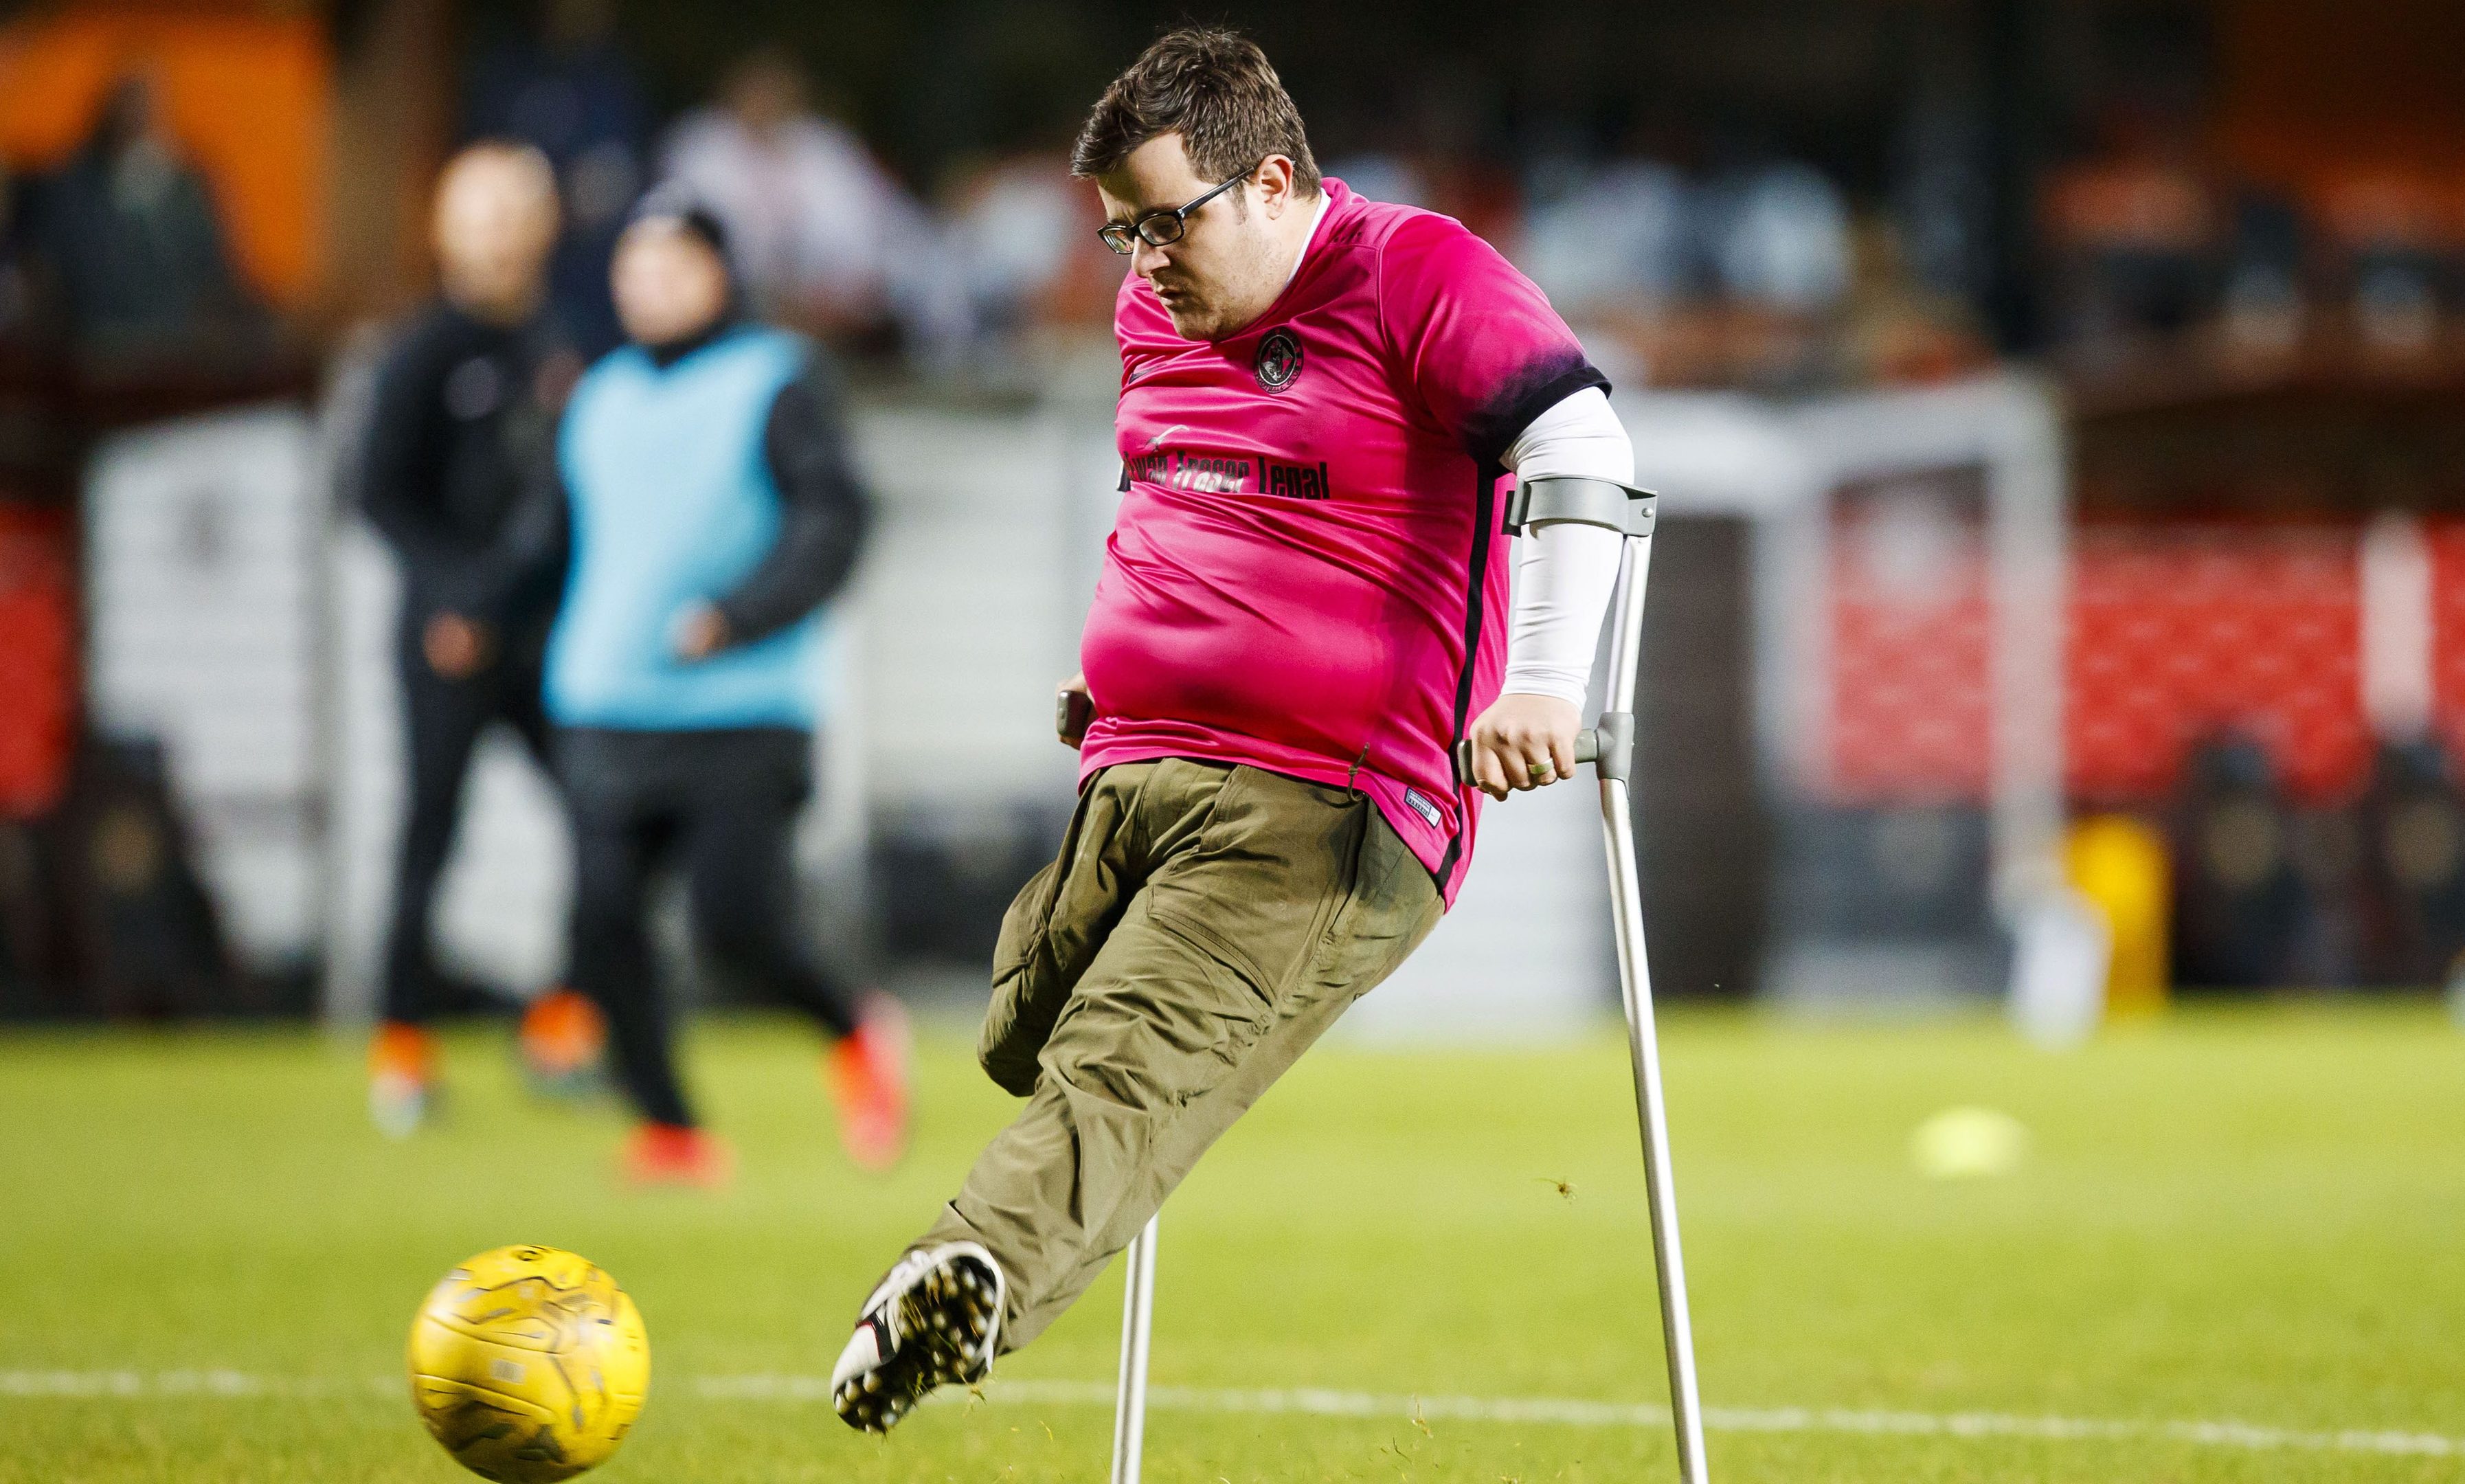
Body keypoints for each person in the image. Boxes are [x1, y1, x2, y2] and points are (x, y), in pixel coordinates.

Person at [828, 27, 1634, 1430]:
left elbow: (1581, 448)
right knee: (1027, 1032)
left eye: (1164, 221)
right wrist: (1132, 677)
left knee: (1126, 1061)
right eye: (1119, 232)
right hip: (1135, 770)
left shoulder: (1417, 272)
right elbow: (1177, 494)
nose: (1142, 259)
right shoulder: (1167, 311)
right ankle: (1021, 1205)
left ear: (1271, 182)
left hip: (1327, 805)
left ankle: (962, 1280)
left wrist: (1549, 683)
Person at [452, 190, 909, 1184]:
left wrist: (740, 617)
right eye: (631, 267)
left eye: (668, 266)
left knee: (734, 919)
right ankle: (670, 1127)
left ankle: (856, 1031)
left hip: (743, 705)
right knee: (604, 922)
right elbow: (550, 532)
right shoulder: (600, 394)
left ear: (714, 274)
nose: (644, 285)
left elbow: (833, 523)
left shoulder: (776, 380)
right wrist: (479, 608)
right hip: (605, 699)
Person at [361, 144, 597, 1138]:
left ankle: (563, 1021)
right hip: (447, 639)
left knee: (602, 824)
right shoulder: (419, 354)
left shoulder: (562, 349)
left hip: (545, 636)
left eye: (515, 214)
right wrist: (454, 599)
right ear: (444, 232)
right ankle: (403, 1046)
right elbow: (379, 494)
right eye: (480, 216)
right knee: (432, 832)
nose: (499, 235)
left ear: (544, 230)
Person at [655, 48, 926, 343]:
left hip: (828, 291)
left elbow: (865, 226)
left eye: (776, 89)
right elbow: (694, 234)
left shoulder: (825, 144)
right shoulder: (698, 147)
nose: (765, 100)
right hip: (743, 290)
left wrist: (837, 285)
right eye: (756, 89)